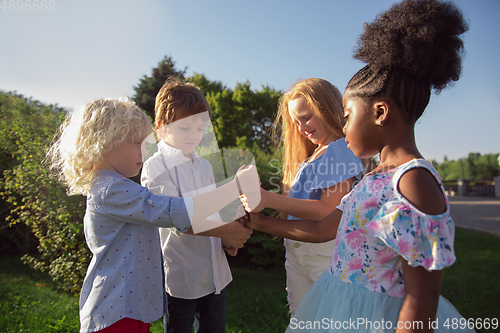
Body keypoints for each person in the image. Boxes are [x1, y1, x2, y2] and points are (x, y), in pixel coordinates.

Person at [240, 0, 474, 331]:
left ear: (380, 113)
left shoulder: (413, 182)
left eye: (347, 116)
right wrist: (261, 223)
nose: (343, 126)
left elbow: (422, 298)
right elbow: (323, 231)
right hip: (339, 306)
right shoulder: (373, 178)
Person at [47, 97, 259, 333]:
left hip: (130, 308)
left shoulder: (117, 187)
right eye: (137, 143)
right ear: (104, 143)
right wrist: (235, 187)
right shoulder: (112, 190)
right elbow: (177, 212)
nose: (145, 150)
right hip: (117, 312)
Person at [141, 80, 251, 332]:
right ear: (160, 126)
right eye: (185, 127)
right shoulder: (155, 166)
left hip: (215, 274)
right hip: (183, 276)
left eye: (200, 128)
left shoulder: (204, 166)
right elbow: (174, 219)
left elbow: (213, 208)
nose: (194, 135)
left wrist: (228, 238)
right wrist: (224, 231)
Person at [249, 78, 365, 316]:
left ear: (327, 107)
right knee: (301, 320)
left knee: (331, 323)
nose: (301, 128)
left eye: (307, 117)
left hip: (325, 255)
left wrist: (268, 199)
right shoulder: (313, 156)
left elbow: (327, 211)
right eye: (296, 122)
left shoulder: (340, 148)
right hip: (296, 252)